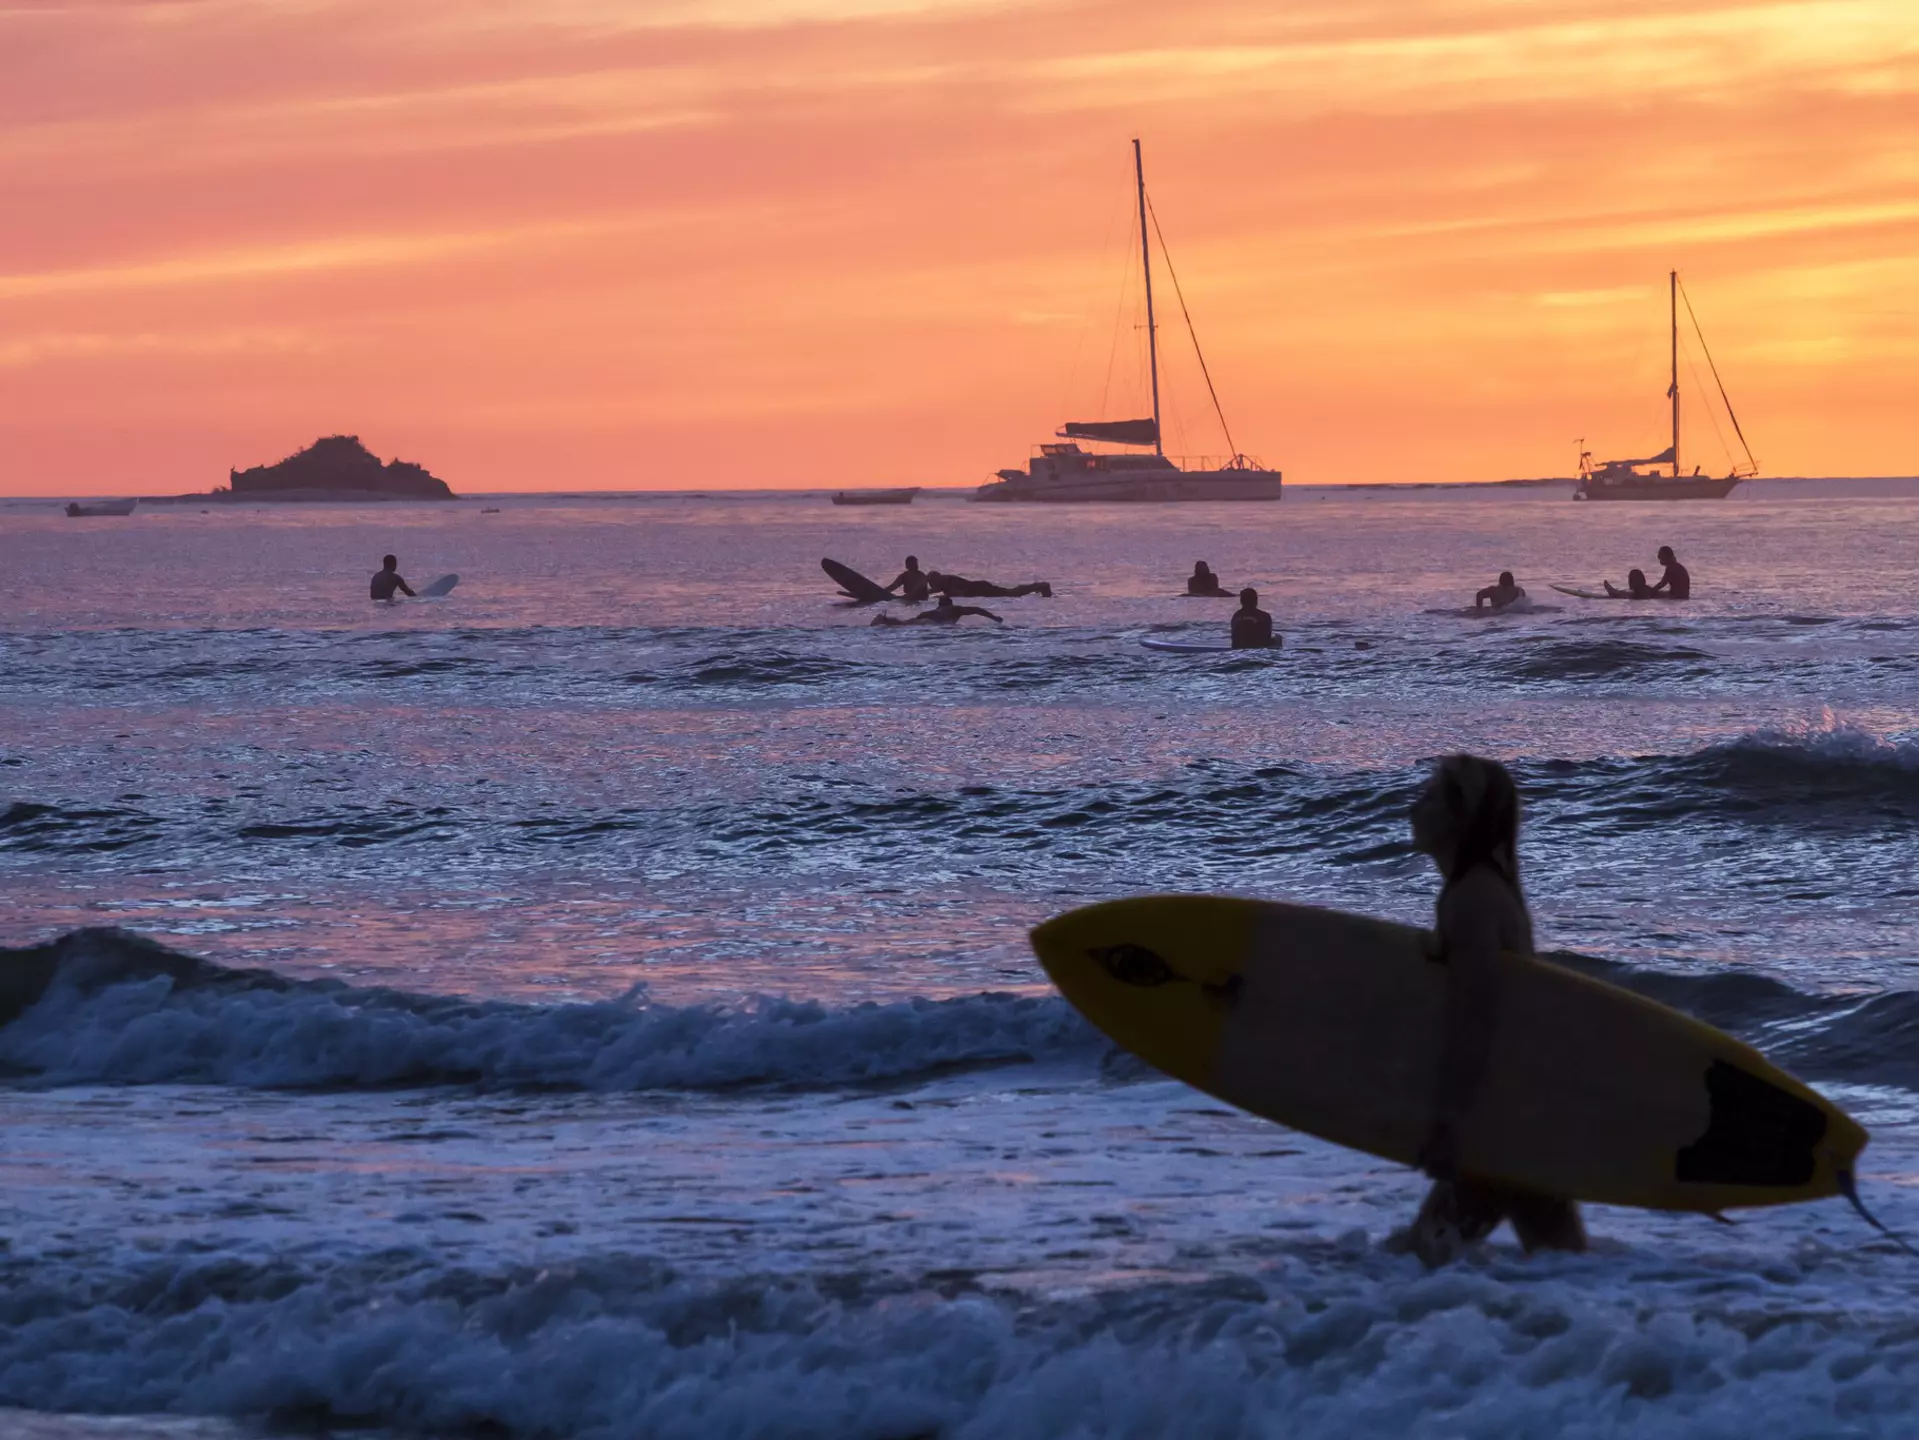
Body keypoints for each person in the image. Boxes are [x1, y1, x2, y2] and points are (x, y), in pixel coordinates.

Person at [1393, 755, 1587, 1266]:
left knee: (1419, 1261)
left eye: (1429, 796)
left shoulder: (1473, 899)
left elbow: (1477, 1020)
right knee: (1565, 1266)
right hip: (1522, 1114)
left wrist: (1450, 1122)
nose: (1413, 807)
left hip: (1500, 1121)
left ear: (1460, 817)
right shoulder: (1479, 889)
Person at [870, 596, 1003, 627]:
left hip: (926, 619)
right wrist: (994, 618)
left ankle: (885, 620)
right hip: (933, 624)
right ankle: (885, 620)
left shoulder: (934, 610)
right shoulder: (956, 609)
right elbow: (977, 610)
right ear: (951, 604)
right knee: (906, 625)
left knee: (905, 624)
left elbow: (920, 616)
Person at [926, 571, 1052, 600]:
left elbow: (958, 593)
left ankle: (1039, 586)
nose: (931, 585)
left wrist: (936, 597)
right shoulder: (943, 581)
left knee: (1010, 593)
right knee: (1009, 592)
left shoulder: (947, 581)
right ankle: (1037, 586)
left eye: (931, 582)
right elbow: (935, 590)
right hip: (979, 588)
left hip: (980, 589)